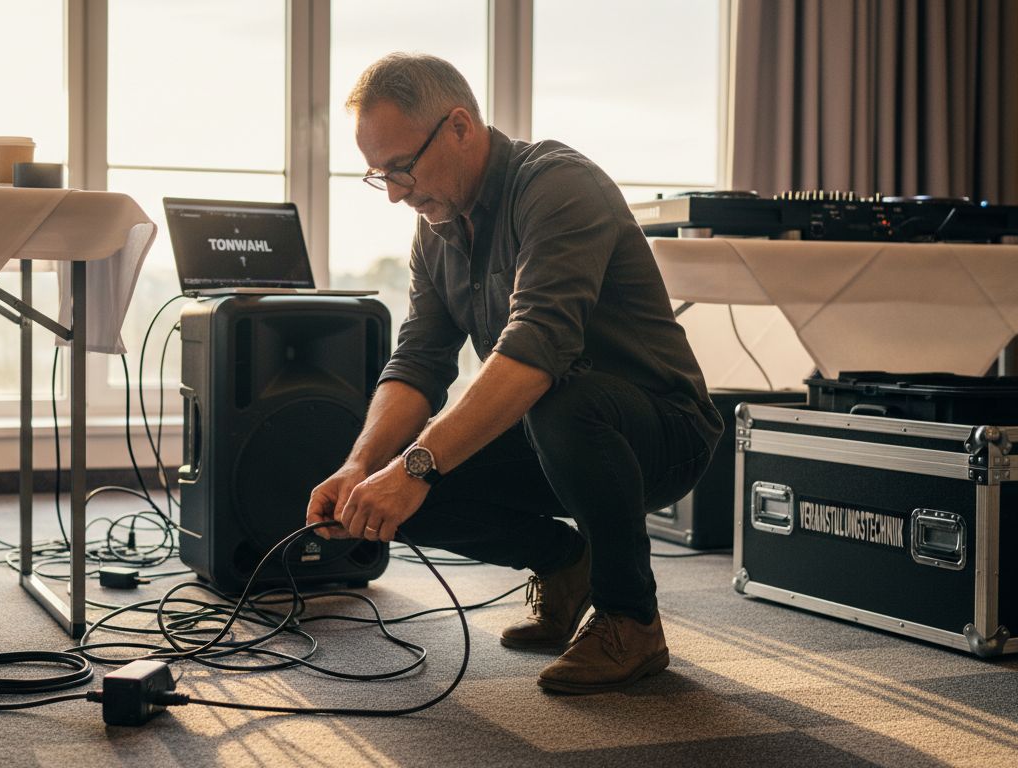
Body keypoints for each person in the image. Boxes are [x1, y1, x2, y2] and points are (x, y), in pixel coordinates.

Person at [305, 52, 723, 695]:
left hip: (662, 430)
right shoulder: (434, 231)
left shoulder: (558, 185)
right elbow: (418, 360)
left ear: (460, 127)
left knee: (553, 401)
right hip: (553, 432)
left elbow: (536, 352)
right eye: (376, 175)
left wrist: (417, 463)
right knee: (391, 494)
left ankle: (630, 618)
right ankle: (564, 563)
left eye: (400, 167)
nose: (392, 192)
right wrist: (364, 467)